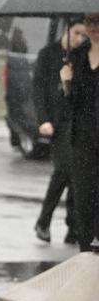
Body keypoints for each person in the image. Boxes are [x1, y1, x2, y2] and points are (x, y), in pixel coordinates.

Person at [33, 19, 86, 244]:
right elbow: (39, 88)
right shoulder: (48, 54)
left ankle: (73, 225)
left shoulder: (84, 55)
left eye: (84, 35)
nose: (80, 39)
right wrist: (43, 119)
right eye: (76, 34)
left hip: (79, 121)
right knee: (63, 170)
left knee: (79, 174)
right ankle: (44, 220)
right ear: (66, 31)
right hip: (58, 122)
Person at [60, 13, 99, 252]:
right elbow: (71, 103)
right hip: (83, 139)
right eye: (91, 23)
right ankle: (85, 252)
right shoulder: (77, 57)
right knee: (83, 198)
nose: (94, 29)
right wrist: (67, 82)